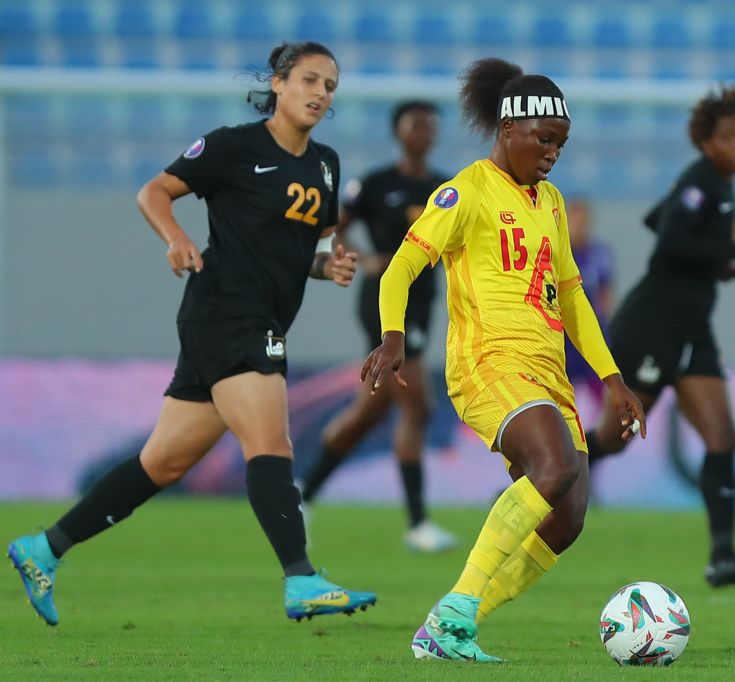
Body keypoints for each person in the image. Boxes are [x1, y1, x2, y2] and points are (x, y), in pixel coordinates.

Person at [7, 41, 377, 626]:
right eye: (309, 80)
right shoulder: (233, 145)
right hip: (227, 310)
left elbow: (315, 247)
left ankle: (43, 549)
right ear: (278, 84)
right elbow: (152, 191)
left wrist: (327, 265)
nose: (319, 93)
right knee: (271, 444)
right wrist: (176, 239)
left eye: (329, 86)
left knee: (163, 464)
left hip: (253, 317)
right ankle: (301, 578)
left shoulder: (325, 163)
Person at [363, 58, 647, 662]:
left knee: (567, 517)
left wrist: (612, 378)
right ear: (507, 130)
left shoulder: (551, 202)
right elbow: (401, 267)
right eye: (544, 140)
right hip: (487, 360)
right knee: (553, 463)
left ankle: (452, 627)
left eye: (560, 145)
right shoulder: (465, 190)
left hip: (546, 371)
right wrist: (392, 336)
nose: (551, 154)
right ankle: (457, 608)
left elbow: (570, 295)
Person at [583, 86, 735, 589]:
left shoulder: (715, 184)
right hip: (654, 324)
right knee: (614, 439)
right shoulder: (702, 180)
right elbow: (670, 236)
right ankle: (532, 478)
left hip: (693, 330)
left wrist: (714, 263)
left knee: (723, 438)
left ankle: (723, 558)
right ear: (705, 141)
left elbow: (660, 219)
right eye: (729, 138)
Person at [299, 100, 457, 554]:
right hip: (386, 304)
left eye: (431, 124)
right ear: (398, 131)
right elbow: (335, 228)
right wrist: (365, 261)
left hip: (423, 300)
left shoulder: (443, 187)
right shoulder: (374, 184)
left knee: (368, 413)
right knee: (417, 407)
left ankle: (303, 494)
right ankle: (417, 523)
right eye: (415, 123)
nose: (424, 131)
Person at [562, 198, 616, 406]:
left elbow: (606, 294)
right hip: (563, 336)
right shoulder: (557, 252)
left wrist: (606, 330)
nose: (580, 226)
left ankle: (609, 432)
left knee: (603, 392)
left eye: (584, 221)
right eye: (575, 221)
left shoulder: (600, 254)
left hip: (590, 334)